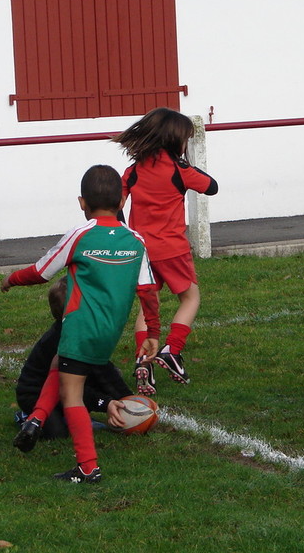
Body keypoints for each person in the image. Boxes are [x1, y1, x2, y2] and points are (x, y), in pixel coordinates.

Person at [1, 165, 160, 484]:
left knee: (71, 393)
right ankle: (36, 419)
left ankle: (88, 467)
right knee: (59, 365)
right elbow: (148, 290)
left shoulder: (81, 234)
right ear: (122, 202)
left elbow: (42, 271)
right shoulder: (135, 240)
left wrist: (11, 280)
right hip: (110, 332)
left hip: (79, 325)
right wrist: (153, 332)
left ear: (82, 202)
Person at [113, 107, 218, 394]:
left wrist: (125, 230)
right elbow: (211, 187)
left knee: (148, 307)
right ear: (174, 140)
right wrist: (186, 165)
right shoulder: (179, 170)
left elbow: (116, 204)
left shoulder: (133, 171)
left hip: (142, 251)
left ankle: (142, 361)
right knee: (190, 297)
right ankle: (172, 349)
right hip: (172, 248)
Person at [13, 277, 133, 449]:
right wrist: (105, 403)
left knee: (102, 373)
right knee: (57, 433)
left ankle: (72, 415)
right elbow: (69, 387)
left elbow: (103, 371)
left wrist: (128, 400)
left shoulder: (87, 333)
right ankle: (27, 417)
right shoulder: (59, 342)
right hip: (36, 394)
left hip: (68, 387)